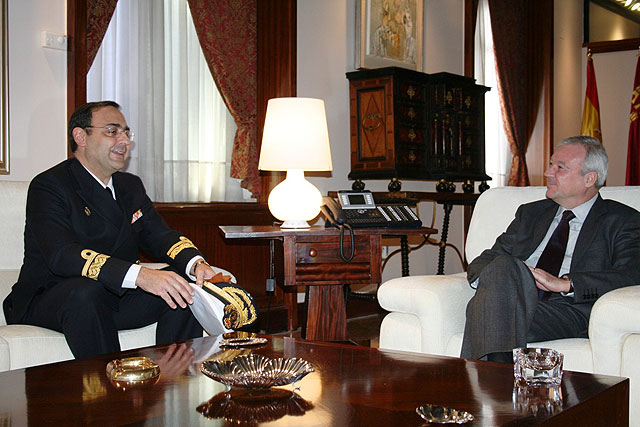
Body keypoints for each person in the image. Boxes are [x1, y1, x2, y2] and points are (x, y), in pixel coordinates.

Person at [2, 101, 256, 358]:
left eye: (126, 132)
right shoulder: (50, 185)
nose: (124, 140)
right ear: (81, 136)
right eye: (112, 131)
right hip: (50, 296)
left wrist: (195, 263)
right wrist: (141, 275)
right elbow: (62, 255)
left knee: (179, 284)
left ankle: (176, 381)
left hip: (111, 295)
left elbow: (158, 235)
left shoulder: (129, 186)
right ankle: (111, 389)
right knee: (84, 293)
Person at [460, 136, 640, 362]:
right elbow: (485, 260)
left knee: (485, 308)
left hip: (569, 310)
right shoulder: (530, 214)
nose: (548, 173)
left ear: (589, 179)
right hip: (515, 301)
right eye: (550, 165)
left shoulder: (623, 220)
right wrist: (509, 279)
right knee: (503, 271)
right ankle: (500, 388)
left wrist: (567, 283)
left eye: (560, 168)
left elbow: (631, 274)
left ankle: (485, 388)